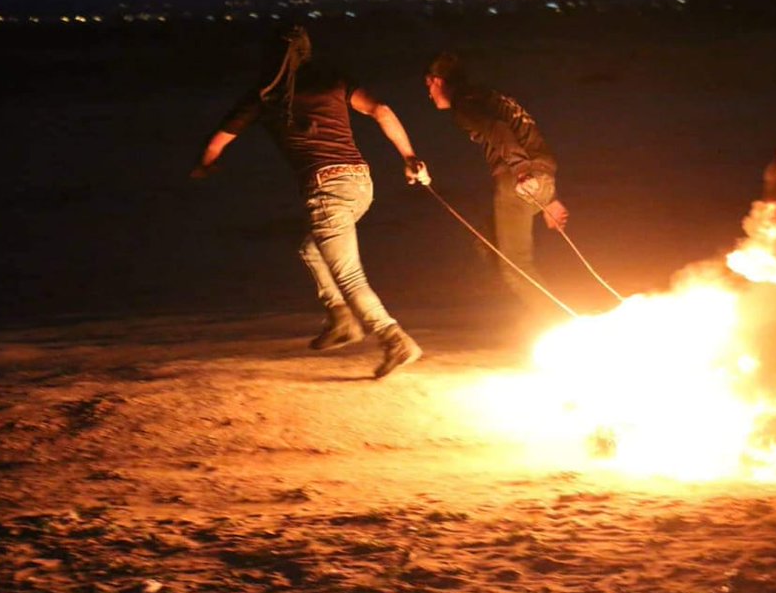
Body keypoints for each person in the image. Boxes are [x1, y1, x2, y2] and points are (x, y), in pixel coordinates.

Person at [192, 23, 428, 379]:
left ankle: (393, 337)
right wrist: (410, 158)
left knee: (348, 275)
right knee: (310, 249)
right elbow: (381, 109)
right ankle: (341, 319)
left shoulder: (264, 96)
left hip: (326, 191)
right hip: (360, 182)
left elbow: (216, 143)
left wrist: (205, 168)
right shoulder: (332, 79)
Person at [423, 52, 569, 310]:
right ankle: (526, 304)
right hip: (542, 174)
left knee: (516, 266)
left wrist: (522, 171)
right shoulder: (488, 96)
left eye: (428, 85)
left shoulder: (464, 105)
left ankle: (557, 320)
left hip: (519, 179)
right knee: (487, 241)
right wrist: (550, 197)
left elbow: (499, 130)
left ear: (437, 81)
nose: (428, 93)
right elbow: (527, 137)